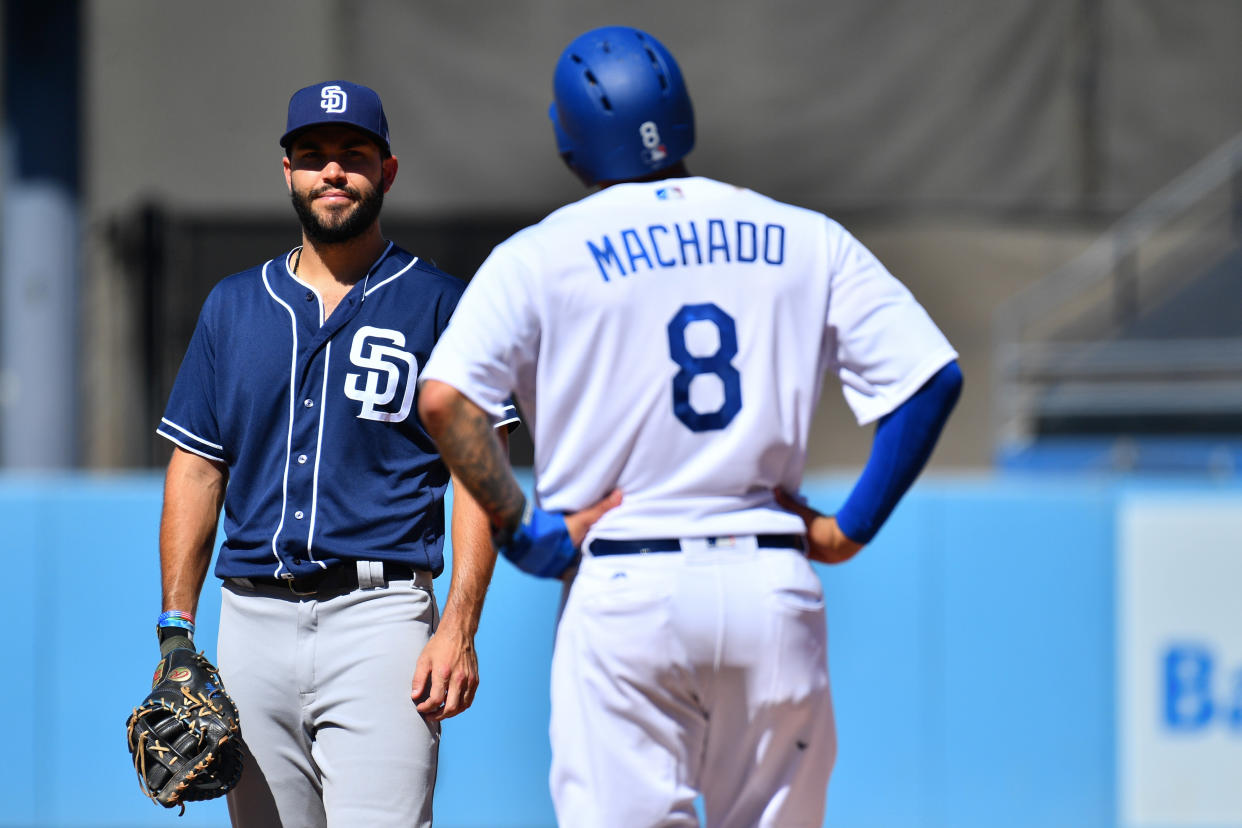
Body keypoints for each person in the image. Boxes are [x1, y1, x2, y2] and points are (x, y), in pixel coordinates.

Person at [418, 25, 962, 828]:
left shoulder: (541, 255)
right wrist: (850, 527)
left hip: (625, 586)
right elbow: (929, 379)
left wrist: (526, 528)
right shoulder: (804, 237)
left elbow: (445, 401)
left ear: (568, 139)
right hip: (770, 585)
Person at [153, 80, 512, 828]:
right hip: (250, 622)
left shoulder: (444, 304)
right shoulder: (233, 305)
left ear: (387, 171)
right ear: (287, 172)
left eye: (353, 155)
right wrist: (177, 632)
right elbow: (197, 468)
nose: (333, 172)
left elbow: (479, 481)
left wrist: (458, 626)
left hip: (381, 621)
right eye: (312, 156)